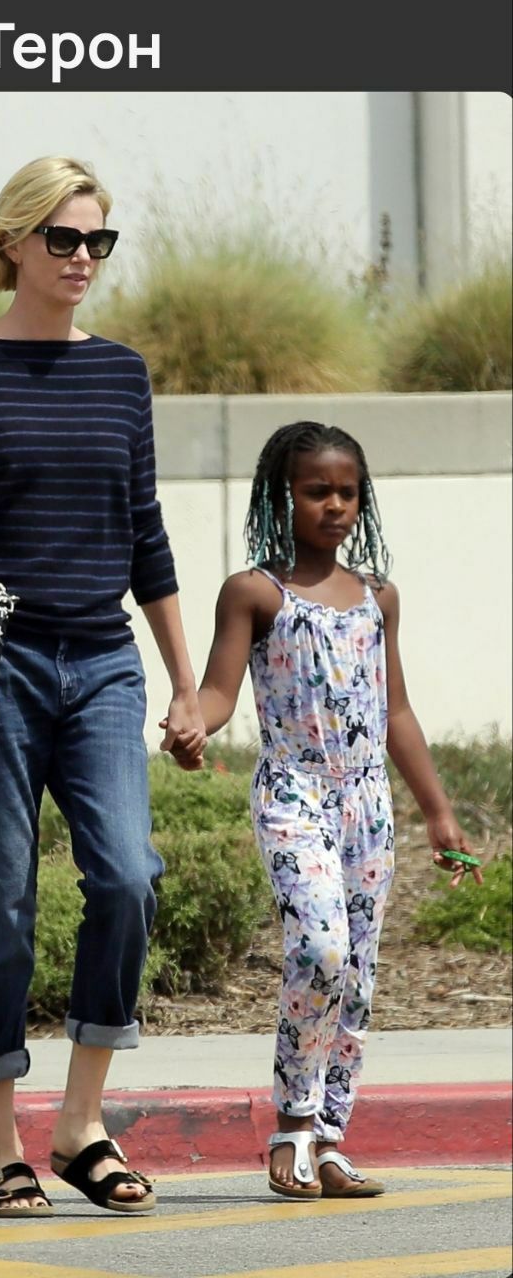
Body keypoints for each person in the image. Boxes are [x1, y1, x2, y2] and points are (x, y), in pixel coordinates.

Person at [0, 156, 204, 1217]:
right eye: (63, 238)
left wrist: (187, 686)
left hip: (103, 660)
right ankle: (0, 1147)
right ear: (14, 243)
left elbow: (145, 533)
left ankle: (79, 1125)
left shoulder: (121, 373)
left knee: (127, 876)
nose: (81, 258)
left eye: (97, 241)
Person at [167, 421, 482, 1200]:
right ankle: (292, 1123)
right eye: (316, 491)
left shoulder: (378, 597)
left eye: (347, 492)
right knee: (320, 950)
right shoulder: (253, 592)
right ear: (281, 496)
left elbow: (395, 710)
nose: (334, 505)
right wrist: (193, 722)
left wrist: (437, 813)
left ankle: (330, 1137)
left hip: (366, 805)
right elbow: (218, 691)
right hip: (294, 795)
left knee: (358, 974)